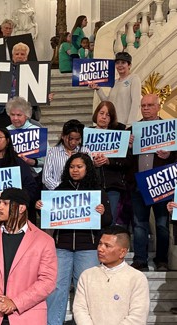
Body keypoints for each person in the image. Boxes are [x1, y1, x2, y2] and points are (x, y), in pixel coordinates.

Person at [37, 153, 113, 325]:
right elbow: (49, 217)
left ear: (88, 168)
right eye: (72, 167)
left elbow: (108, 220)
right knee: (56, 288)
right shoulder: (59, 190)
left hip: (88, 247)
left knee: (85, 288)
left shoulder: (97, 191)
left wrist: (102, 212)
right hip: (61, 246)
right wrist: (40, 208)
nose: (75, 170)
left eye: (79, 166)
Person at [0, 188, 57, 324]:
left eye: (5, 204)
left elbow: (47, 281)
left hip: (28, 316)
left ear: (21, 208)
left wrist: (15, 303)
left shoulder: (44, 241)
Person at [128, 94, 175, 271]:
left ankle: (162, 260)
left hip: (160, 184)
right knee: (139, 225)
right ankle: (140, 260)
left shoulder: (169, 128)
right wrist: (129, 147)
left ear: (158, 107)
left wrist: (170, 154)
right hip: (138, 185)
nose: (146, 108)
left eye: (149, 105)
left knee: (162, 225)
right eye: (143, 105)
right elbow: (125, 159)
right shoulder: (133, 130)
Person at [73, 226, 149, 324]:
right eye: (100, 244)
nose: (100, 249)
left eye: (107, 246)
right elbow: (80, 309)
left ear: (122, 252)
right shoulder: (87, 275)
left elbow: (138, 316)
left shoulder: (137, 278)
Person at [90, 101, 129, 222]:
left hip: (113, 186)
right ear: (96, 114)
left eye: (108, 115)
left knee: (110, 220)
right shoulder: (86, 133)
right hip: (93, 185)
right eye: (101, 113)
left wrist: (109, 161)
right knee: (94, 220)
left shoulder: (119, 134)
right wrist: (92, 164)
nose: (104, 117)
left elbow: (125, 162)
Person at [90, 52, 142, 126]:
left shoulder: (134, 79)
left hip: (125, 125)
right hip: (113, 125)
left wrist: (130, 125)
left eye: (123, 62)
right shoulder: (115, 82)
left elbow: (136, 103)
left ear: (129, 65)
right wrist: (98, 89)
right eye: (117, 63)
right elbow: (109, 103)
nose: (120, 65)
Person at [42, 119, 90, 190]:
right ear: (63, 136)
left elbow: (90, 175)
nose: (73, 142)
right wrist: (63, 188)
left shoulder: (85, 151)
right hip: (57, 192)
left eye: (77, 139)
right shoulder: (52, 152)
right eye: (70, 139)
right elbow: (46, 178)